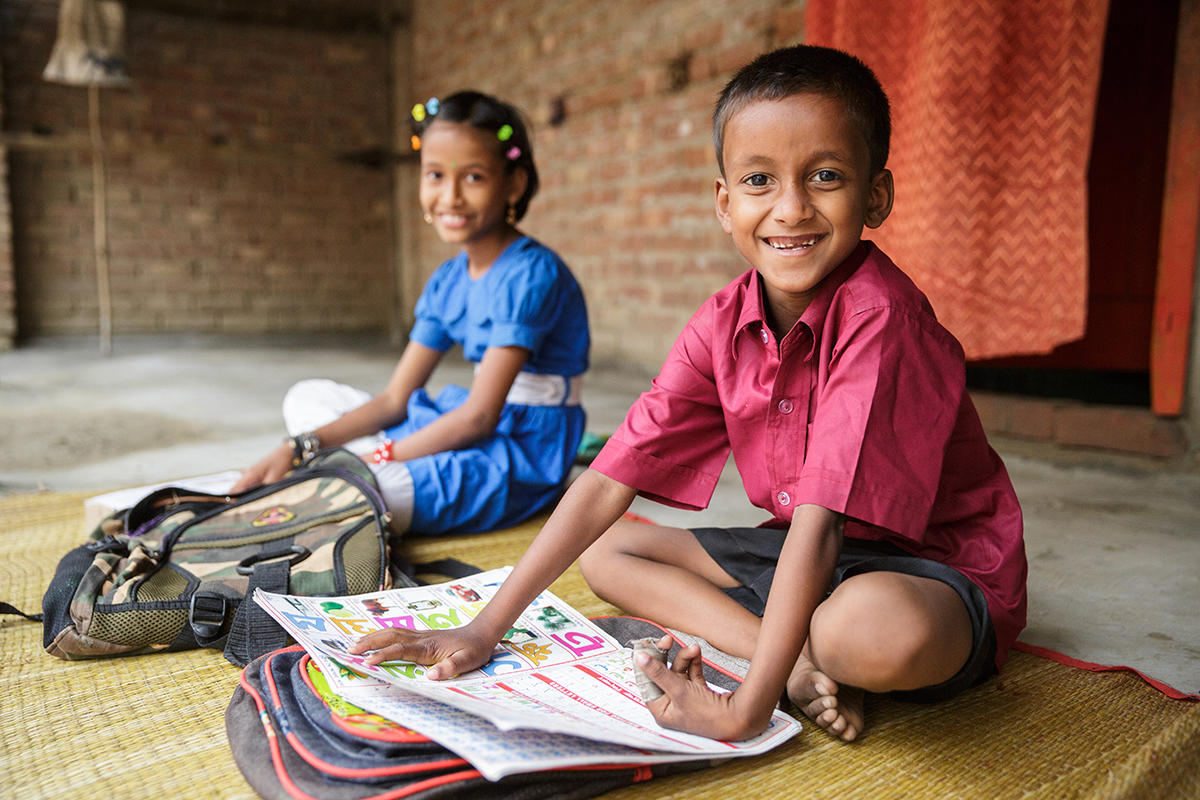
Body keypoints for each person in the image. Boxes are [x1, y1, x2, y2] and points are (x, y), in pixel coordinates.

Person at [350, 46, 1027, 744]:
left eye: (825, 176)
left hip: (932, 568)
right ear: (724, 202)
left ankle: (794, 653)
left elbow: (821, 524)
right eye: (760, 179)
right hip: (816, 554)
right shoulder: (723, 323)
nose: (791, 208)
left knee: (867, 633)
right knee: (610, 553)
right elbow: (613, 477)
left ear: (875, 196)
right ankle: (792, 660)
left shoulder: (881, 319)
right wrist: (485, 626)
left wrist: (745, 708)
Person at [232, 90, 590, 537]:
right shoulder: (448, 279)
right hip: (461, 424)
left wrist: (380, 456)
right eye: (435, 175)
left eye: (474, 177)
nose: (450, 196)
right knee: (306, 398)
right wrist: (299, 446)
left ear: (514, 183)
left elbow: (479, 418)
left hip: (519, 450)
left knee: (374, 494)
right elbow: (393, 399)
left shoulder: (532, 274)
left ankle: (367, 474)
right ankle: (356, 470)